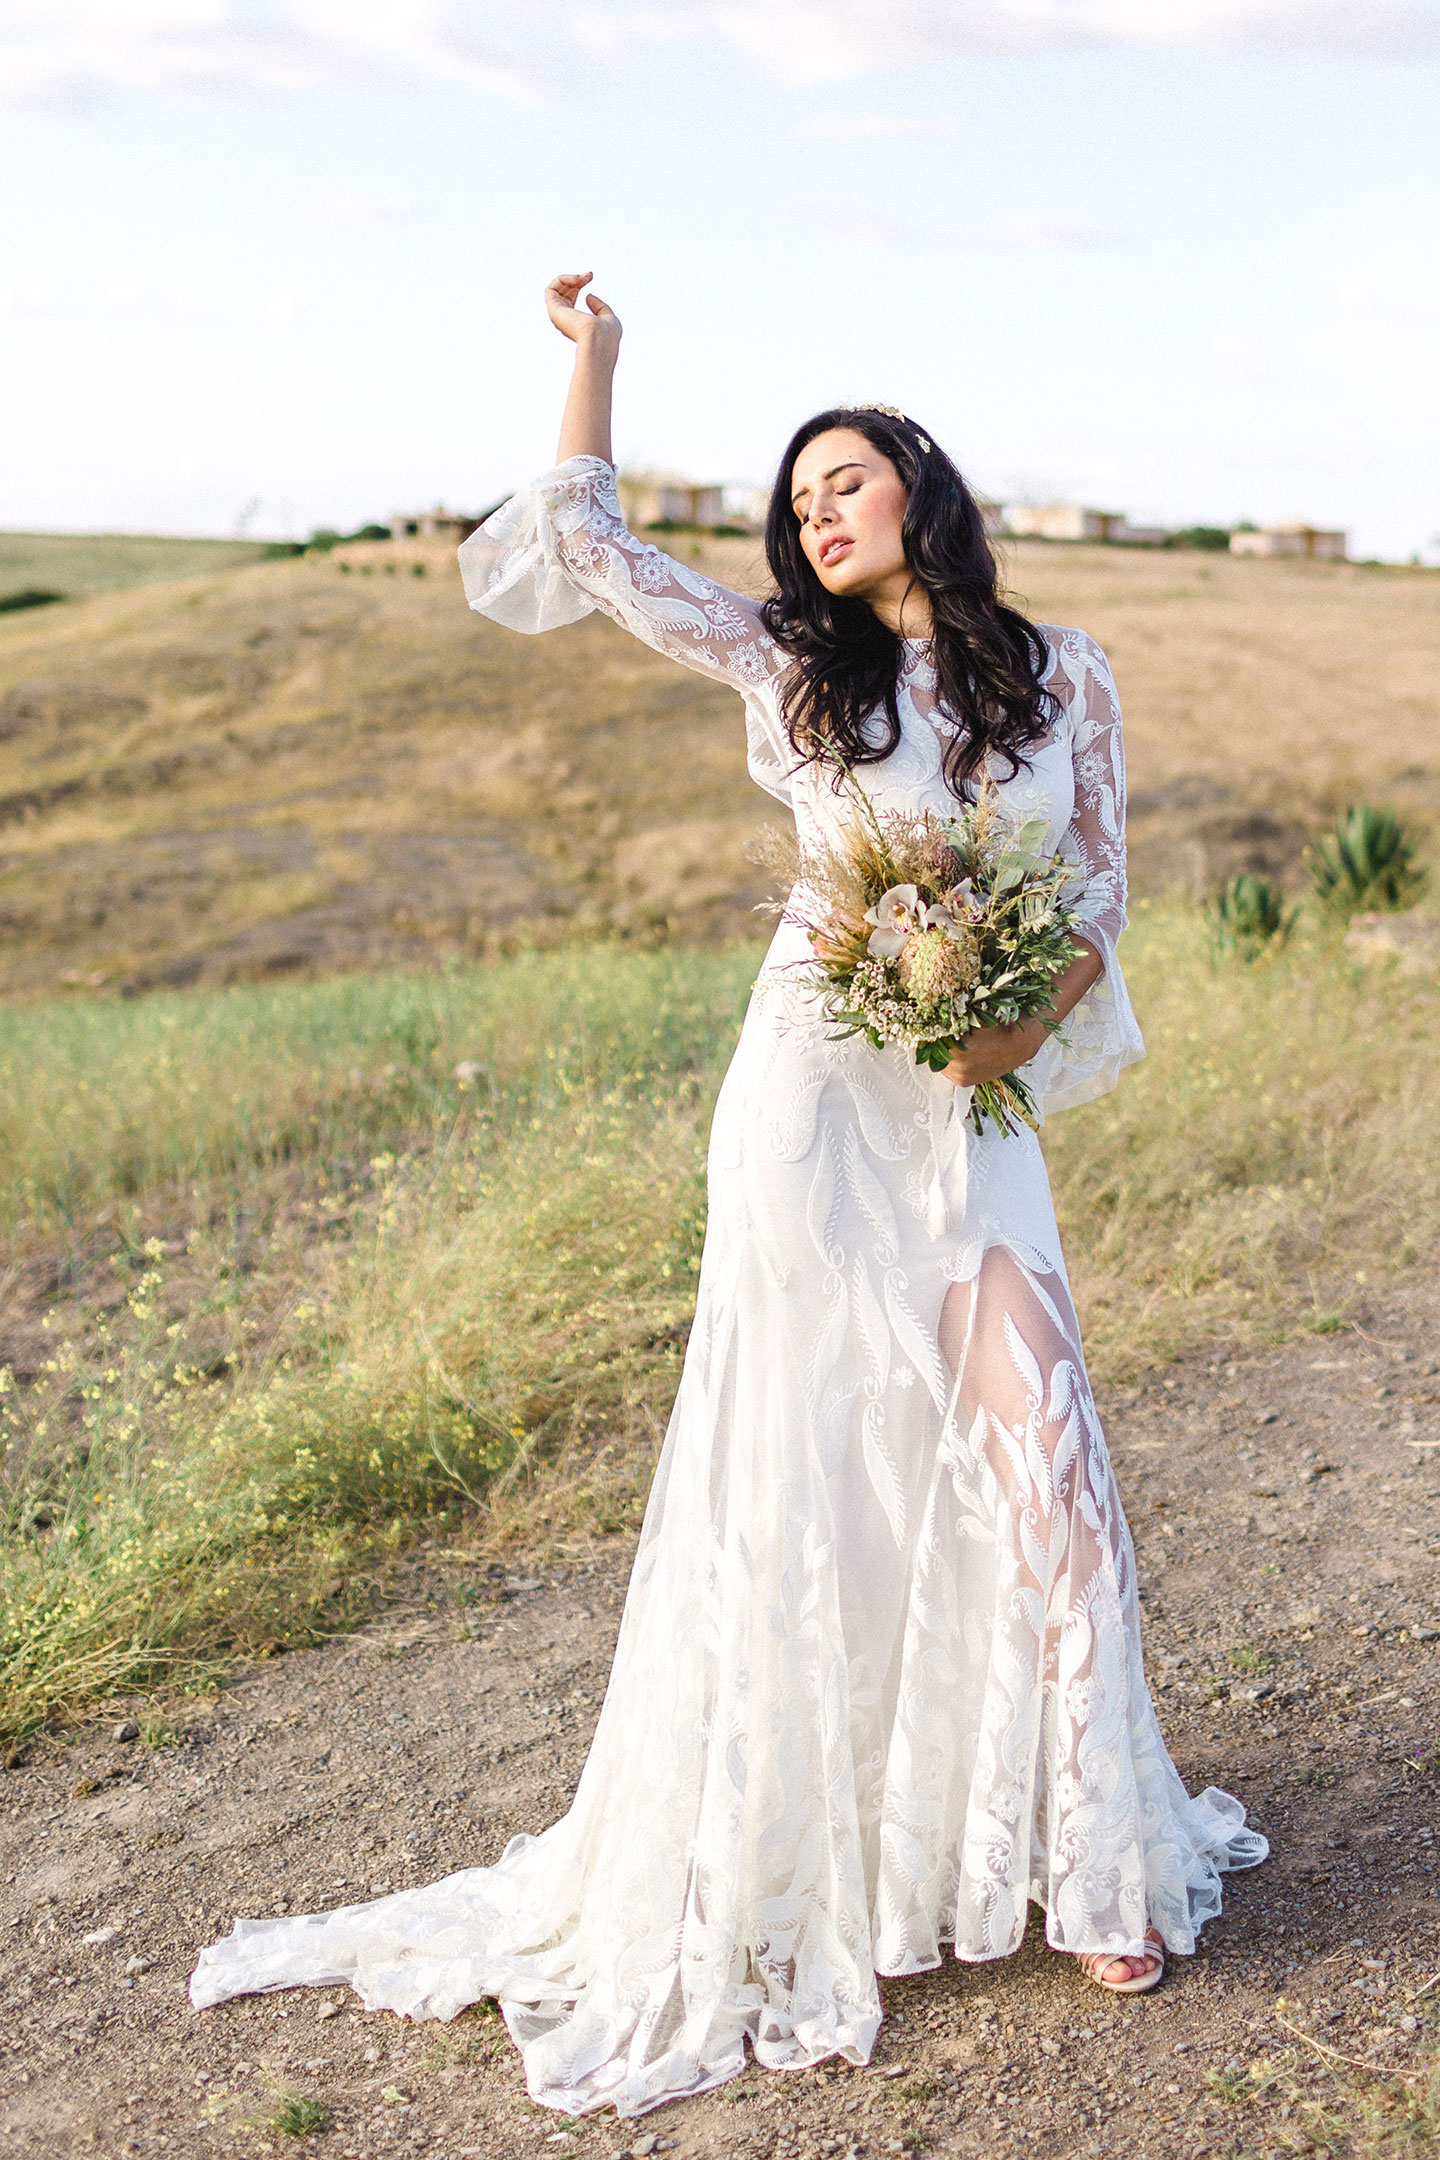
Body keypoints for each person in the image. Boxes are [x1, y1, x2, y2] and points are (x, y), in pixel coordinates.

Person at [189, 273, 1267, 2119]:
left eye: (845, 480)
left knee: (1053, 1480)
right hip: (810, 1108)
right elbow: (589, 551)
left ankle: (1094, 1861)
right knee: (806, 1473)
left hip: (973, 1118)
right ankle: (799, 1851)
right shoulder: (789, 659)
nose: (817, 512)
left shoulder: (1065, 671)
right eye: (797, 500)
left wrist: (1018, 1034)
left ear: (921, 487)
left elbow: (1093, 890)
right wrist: (596, 360)